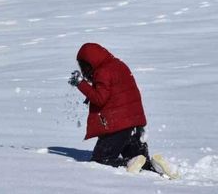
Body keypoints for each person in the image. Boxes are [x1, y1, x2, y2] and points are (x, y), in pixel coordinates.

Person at [68, 43, 177, 177]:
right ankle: (157, 166)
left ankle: (127, 164)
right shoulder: (118, 65)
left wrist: (81, 83)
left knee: (100, 160)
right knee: (141, 163)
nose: (84, 70)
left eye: (83, 66)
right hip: (134, 124)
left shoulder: (103, 71)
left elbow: (99, 98)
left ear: (90, 63)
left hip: (117, 127)